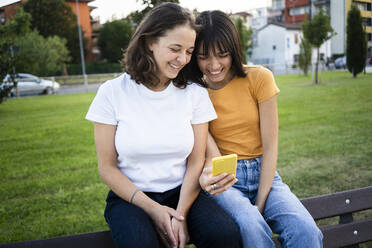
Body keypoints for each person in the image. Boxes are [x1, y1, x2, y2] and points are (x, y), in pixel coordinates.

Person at [85, 3, 242, 248]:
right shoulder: (112, 93)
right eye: (175, 49)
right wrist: (155, 209)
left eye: (189, 51)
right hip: (131, 199)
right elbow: (107, 168)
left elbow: (195, 161)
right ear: (149, 42)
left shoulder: (194, 93)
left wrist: (180, 214)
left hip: (184, 193)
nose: (183, 59)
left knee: (226, 236)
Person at [185, 10, 323, 248]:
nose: (214, 65)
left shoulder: (259, 78)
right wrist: (253, 213)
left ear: (234, 51)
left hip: (265, 173)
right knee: (251, 228)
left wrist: (260, 203)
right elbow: (209, 149)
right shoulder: (194, 91)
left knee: (306, 231)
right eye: (203, 57)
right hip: (224, 177)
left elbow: (270, 147)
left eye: (223, 55)